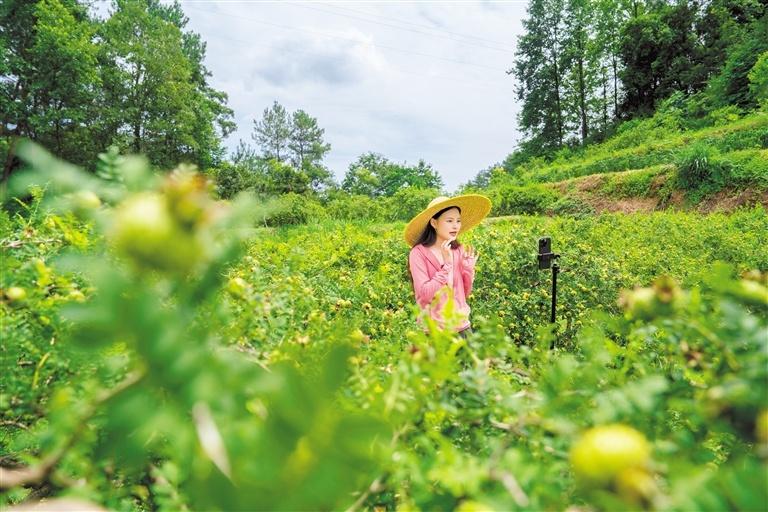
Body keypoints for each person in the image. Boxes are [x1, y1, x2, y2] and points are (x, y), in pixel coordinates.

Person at [404, 194, 492, 338]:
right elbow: (424, 295)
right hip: (434, 333)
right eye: (449, 221)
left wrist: (468, 271)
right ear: (434, 223)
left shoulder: (458, 250)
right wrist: (446, 266)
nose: (455, 225)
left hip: (462, 327)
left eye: (458, 221)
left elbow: (463, 294)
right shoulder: (418, 253)